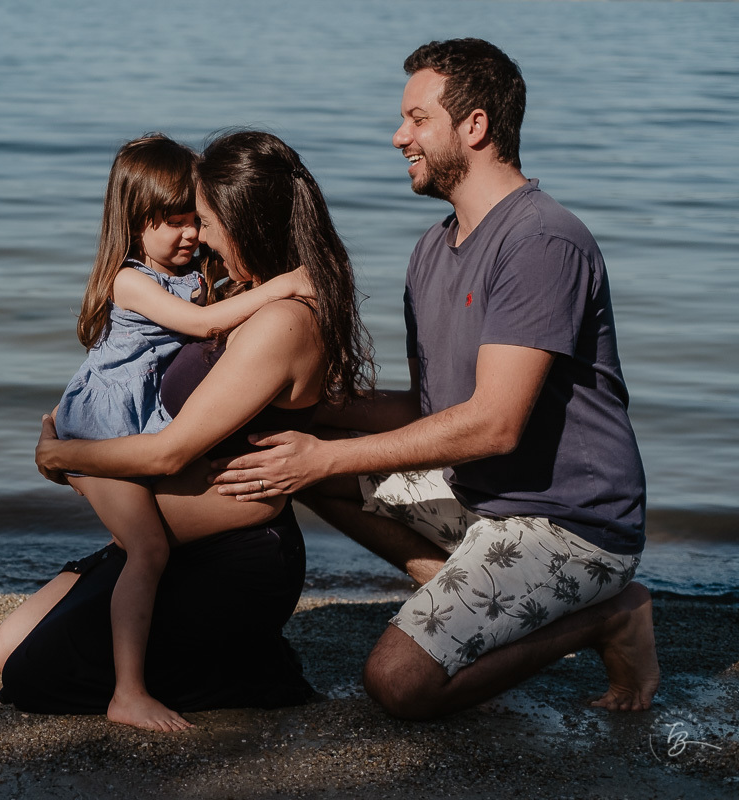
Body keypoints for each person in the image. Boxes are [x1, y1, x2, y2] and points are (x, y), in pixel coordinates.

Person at [208, 38, 660, 720]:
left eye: (417, 119)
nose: (399, 136)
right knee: (288, 452)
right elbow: (429, 409)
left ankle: (611, 619)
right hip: (481, 498)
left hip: (569, 524)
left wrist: (327, 453)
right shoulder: (430, 250)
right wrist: (308, 417)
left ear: (474, 126)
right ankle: (457, 591)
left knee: (398, 684)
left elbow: (492, 423)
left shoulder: (541, 241)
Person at [0, 130, 374, 725]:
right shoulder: (225, 294)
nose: (197, 234)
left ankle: (241, 666)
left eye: (202, 218)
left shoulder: (277, 318)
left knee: (35, 677)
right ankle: (225, 652)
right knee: (9, 646)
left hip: (229, 555)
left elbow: (170, 454)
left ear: (242, 219)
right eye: (184, 219)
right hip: (172, 541)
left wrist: (62, 456)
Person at [48, 133, 312, 731]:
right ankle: (129, 692)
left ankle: (137, 662)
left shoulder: (191, 273)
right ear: (133, 224)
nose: (191, 235)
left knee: (141, 544)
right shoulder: (132, 281)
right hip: (100, 429)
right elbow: (201, 322)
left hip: (132, 434)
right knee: (148, 548)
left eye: (196, 221)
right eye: (172, 223)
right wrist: (285, 285)